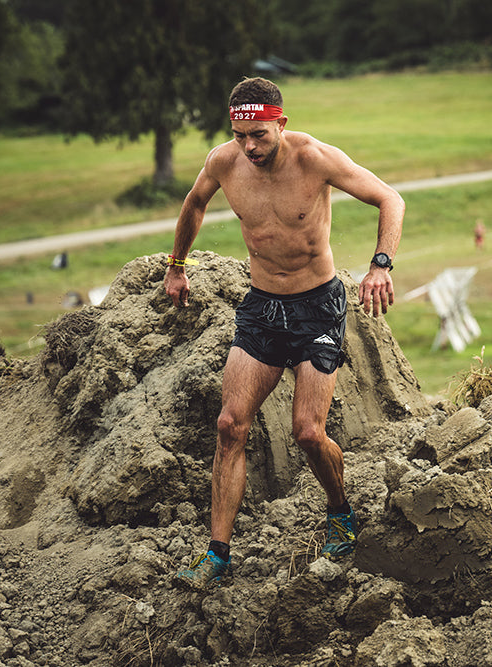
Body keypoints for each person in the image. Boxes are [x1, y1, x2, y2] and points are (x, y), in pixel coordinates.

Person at [164, 77, 405, 589]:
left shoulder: (315, 158)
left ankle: (340, 513)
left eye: (258, 134)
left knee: (307, 433)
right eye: (239, 135)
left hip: (318, 307)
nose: (249, 146)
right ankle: (217, 556)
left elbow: (390, 199)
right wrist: (176, 265)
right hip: (262, 308)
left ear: (280, 123)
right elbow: (195, 203)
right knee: (230, 425)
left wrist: (380, 265)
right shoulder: (224, 162)